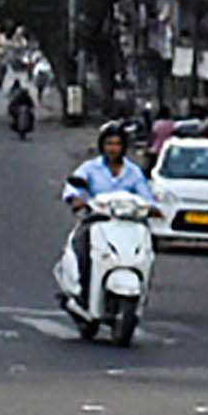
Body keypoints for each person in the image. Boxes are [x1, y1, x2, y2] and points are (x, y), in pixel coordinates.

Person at [60, 120, 156, 305]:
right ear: (102, 146)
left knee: (145, 250)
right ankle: (82, 289)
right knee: (82, 244)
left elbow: (146, 196)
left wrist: (153, 208)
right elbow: (73, 187)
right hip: (97, 222)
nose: (113, 149)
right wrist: (76, 199)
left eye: (117, 144)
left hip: (128, 224)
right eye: (109, 144)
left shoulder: (133, 172)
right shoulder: (91, 168)